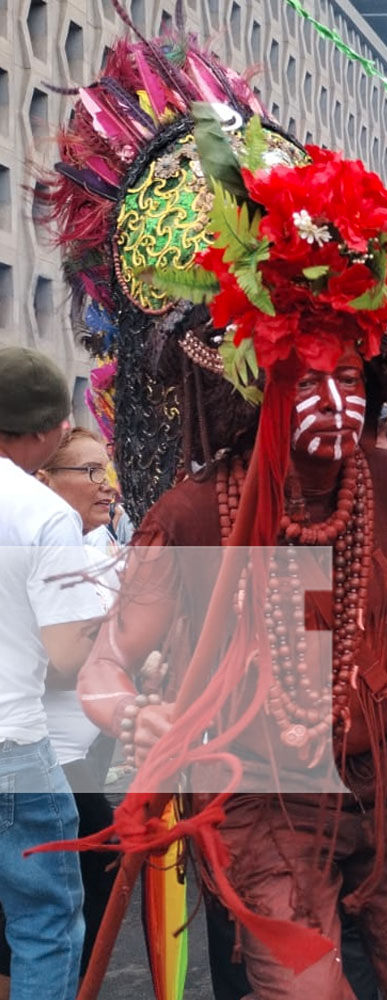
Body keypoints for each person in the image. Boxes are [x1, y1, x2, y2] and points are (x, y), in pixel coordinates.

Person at [40, 39, 387, 995]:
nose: (331, 402)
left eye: (346, 378)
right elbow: (110, 669)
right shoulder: (197, 514)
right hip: (261, 804)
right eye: (305, 379)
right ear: (260, 388)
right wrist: (139, 712)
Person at [0, 347, 101, 1000]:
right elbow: (67, 659)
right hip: (13, 741)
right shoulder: (43, 515)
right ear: (42, 432)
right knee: (44, 920)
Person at [33, 428, 122, 974]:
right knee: (51, 905)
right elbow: (54, 663)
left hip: (85, 751)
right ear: (45, 479)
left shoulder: (99, 545)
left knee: (74, 899)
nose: (106, 484)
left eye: (106, 469)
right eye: (90, 471)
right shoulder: (43, 544)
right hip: (45, 755)